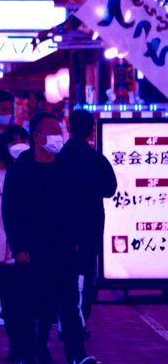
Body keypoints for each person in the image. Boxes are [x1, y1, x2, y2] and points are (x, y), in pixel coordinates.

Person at [2, 112, 96, 364]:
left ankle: (76, 357)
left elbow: (76, 206)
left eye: (60, 130)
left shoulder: (66, 166)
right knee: (31, 306)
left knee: (68, 303)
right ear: (37, 137)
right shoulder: (22, 168)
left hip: (63, 248)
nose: (59, 136)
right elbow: (10, 209)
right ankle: (27, 356)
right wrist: (17, 245)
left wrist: (77, 241)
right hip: (31, 250)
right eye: (53, 131)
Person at [58, 109, 117, 327]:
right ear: (92, 130)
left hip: (62, 226)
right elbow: (110, 189)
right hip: (90, 225)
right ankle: (80, 318)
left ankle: (64, 318)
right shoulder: (96, 159)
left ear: (68, 127)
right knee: (86, 271)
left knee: (64, 272)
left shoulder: (59, 158)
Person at [0, 124, 31, 355]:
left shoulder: (37, 174)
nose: (19, 146)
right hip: (11, 256)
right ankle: (16, 344)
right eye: (13, 142)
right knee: (12, 304)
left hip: (36, 253)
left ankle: (33, 345)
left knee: (33, 302)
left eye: (23, 140)